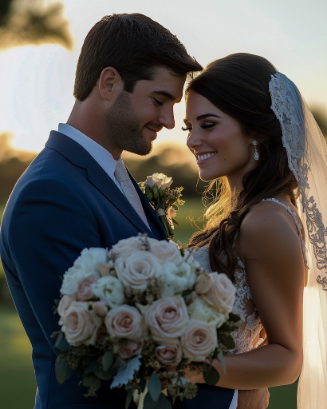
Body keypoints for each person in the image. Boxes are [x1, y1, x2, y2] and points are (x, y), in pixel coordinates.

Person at [0, 14, 269, 409]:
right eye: (159, 100)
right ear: (109, 83)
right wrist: (235, 401)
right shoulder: (49, 194)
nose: (168, 121)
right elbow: (99, 367)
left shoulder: (112, 174)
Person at [183, 53, 327, 409]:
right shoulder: (253, 213)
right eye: (189, 128)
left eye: (208, 124)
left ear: (257, 131)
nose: (192, 141)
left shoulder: (264, 221)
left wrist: (190, 369)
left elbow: (287, 358)